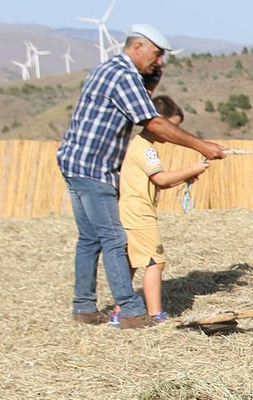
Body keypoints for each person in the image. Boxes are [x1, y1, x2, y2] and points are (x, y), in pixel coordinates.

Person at [56, 24, 225, 328]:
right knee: (113, 238)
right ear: (138, 48)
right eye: (157, 55)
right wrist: (202, 146)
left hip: (73, 162)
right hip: (95, 168)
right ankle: (131, 310)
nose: (159, 62)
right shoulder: (124, 76)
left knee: (89, 239)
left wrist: (154, 77)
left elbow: (144, 102)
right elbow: (154, 123)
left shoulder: (108, 69)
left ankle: (84, 306)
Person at [119, 96, 209, 324]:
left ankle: (120, 309)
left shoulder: (136, 145)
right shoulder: (146, 149)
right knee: (154, 261)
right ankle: (155, 314)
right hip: (140, 213)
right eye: (172, 127)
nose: (173, 134)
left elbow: (162, 182)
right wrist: (193, 167)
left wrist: (187, 176)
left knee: (130, 261)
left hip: (129, 210)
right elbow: (160, 178)